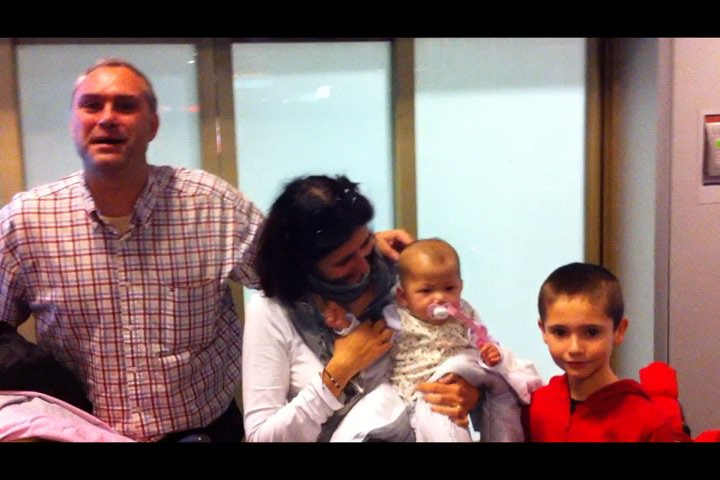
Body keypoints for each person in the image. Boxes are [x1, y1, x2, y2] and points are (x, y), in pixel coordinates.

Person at [0, 58, 410, 442]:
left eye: (125, 105)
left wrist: (358, 245)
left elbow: (288, 263)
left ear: (153, 124)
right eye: (92, 105)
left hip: (206, 430)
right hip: (83, 431)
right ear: (73, 119)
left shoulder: (211, 204)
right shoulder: (26, 221)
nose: (107, 117)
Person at [242, 175, 481, 442]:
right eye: (344, 261)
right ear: (304, 264)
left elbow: (463, 344)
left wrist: (471, 392)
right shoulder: (273, 311)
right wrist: (338, 373)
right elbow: (260, 437)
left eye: (366, 244)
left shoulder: (402, 279)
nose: (364, 266)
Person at [325, 238, 542, 442]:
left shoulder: (465, 313)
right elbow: (369, 341)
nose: (439, 297)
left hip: (456, 381)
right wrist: (346, 325)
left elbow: (482, 339)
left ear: (460, 287)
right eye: (426, 290)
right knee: (432, 421)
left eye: (449, 288)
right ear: (403, 296)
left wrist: (490, 353)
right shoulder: (397, 317)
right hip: (416, 392)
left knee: (495, 398)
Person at [524, 262, 678, 442]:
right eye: (560, 332)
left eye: (591, 332)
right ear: (543, 330)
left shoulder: (647, 421)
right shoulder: (536, 407)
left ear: (619, 331)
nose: (575, 348)